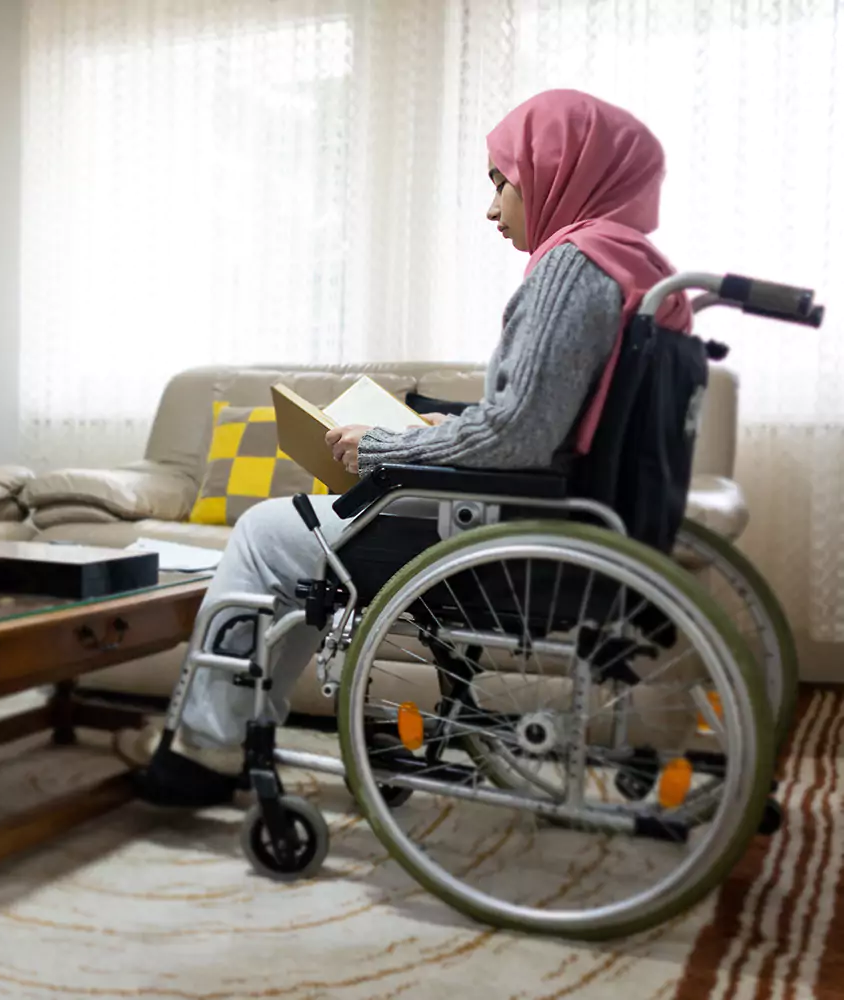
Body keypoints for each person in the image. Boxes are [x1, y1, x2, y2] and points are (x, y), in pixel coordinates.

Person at [117, 88, 694, 807]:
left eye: (500, 181)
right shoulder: (638, 272)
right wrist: (432, 429)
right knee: (303, 539)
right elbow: (545, 422)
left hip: (508, 541)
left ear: (559, 168)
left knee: (268, 535)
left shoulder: (570, 268)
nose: (492, 209)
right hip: (562, 523)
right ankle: (235, 728)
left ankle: (207, 746)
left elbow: (518, 433)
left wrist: (385, 446)